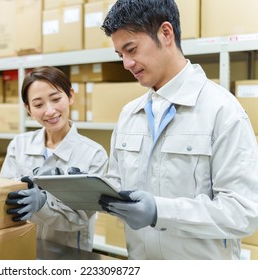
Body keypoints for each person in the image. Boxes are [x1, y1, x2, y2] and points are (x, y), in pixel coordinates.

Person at [98, 0, 258, 259]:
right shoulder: (129, 114)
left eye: (132, 49)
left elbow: (243, 212)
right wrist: (82, 187)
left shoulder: (222, 111)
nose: (126, 63)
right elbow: (117, 184)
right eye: (120, 55)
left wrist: (160, 212)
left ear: (165, 33)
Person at [0, 66, 108, 251]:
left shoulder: (93, 154)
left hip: (69, 253)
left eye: (56, 99)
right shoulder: (19, 145)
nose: (50, 111)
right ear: (28, 108)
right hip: (22, 248)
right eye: (38, 104)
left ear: (70, 96)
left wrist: (42, 204)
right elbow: (2, 196)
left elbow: (80, 218)